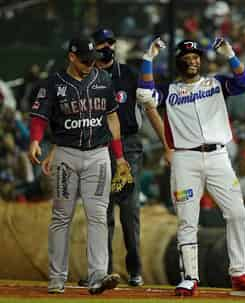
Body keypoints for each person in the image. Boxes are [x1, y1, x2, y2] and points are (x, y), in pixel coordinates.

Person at [136, 37, 245, 296]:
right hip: (185, 159)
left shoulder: (215, 83)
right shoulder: (170, 90)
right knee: (187, 219)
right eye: (187, 57)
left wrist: (231, 54)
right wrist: (148, 59)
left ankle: (238, 273)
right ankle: (190, 277)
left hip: (218, 156)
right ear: (179, 62)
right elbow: (143, 95)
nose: (193, 60)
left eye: (196, 57)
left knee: (237, 212)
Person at [28, 37, 125, 295]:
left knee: (98, 216)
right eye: (85, 60)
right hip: (66, 155)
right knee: (61, 216)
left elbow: (113, 117)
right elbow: (39, 116)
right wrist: (35, 141)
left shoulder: (102, 80)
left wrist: (120, 156)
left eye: (93, 60)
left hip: (98, 155)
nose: (90, 65)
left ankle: (97, 276)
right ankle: (57, 277)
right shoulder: (54, 83)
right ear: (71, 57)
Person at [90, 28, 145, 287]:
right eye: (101, 43)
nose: (107, 46)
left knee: (129, 209)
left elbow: (151, 104)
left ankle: (134, 268)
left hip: (129, 145)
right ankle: (105, 271)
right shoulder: (88, 77)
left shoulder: (130, 75)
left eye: (110, 42)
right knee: (102, 211)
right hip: (99, 147)